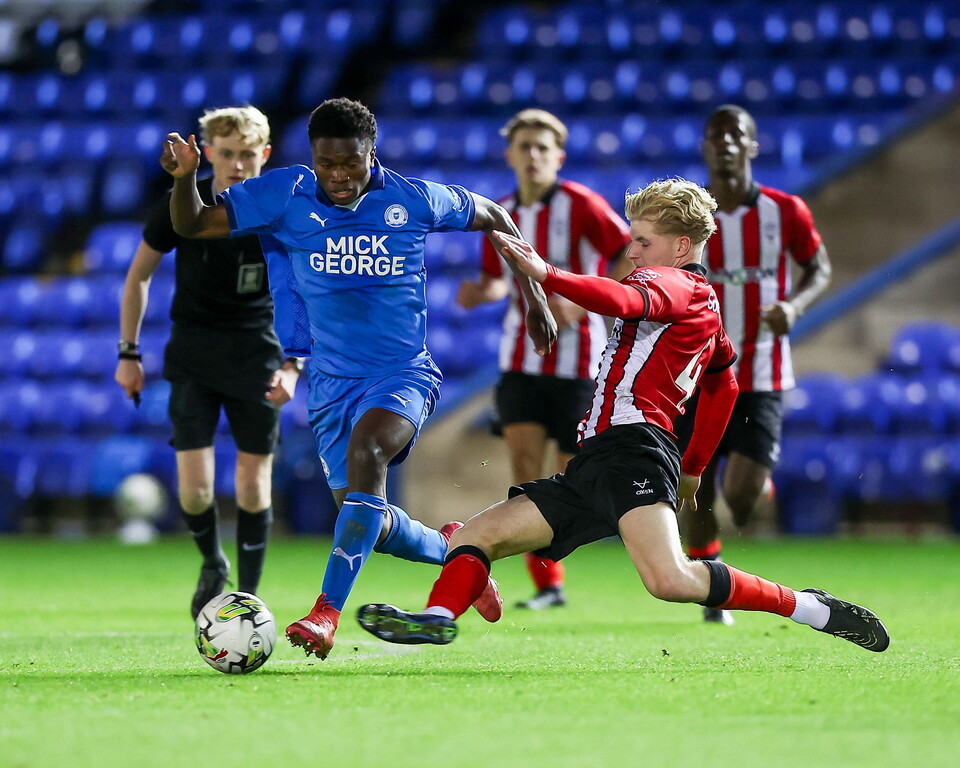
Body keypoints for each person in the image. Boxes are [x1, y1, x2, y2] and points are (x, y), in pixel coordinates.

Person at [355, 178, 889, 655]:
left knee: (671, 580)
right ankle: (437, 618)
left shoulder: (679, 284)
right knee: (476, 535)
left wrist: (547, 273)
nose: (631, 252)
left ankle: (806, 606)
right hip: (597, 460)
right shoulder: (704, 305)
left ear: (682, 247)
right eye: (633, 240)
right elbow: (725, 381)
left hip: (632, 450)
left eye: (642, 241)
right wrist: (696, 464)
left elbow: (625, 303)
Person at [160, 97, 558, 660]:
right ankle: (453, 547)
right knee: (367, 517)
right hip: (329, 384)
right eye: (328, 164)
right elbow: (193, 223)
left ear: (373, 154)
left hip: (402, 375)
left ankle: (326, 612)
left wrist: (535, 294)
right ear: (313, 159)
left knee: (369, 453)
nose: (340, 176)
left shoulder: (411, 198)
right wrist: (184, 179)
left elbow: (494, 213)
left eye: (353, 163)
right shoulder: (284, 195)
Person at [115, 106, 302, 620]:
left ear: (264, 156)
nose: (237, 164)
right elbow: (138, 277)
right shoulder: (182, 205)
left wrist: (293, 366)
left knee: (251, 482)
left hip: (258, 352)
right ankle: (212, 561)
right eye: (227, 154)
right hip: (193, 353)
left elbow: (305, 295)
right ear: (208, 153)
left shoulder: (283, 212)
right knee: (195, 489)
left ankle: (250, 597)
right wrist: (128, 353)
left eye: (247, 154)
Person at [457, 109, 632, 610]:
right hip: (520, 359)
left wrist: (579, 302)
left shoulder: (580, 204)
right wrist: (481, 292)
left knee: (570, 474)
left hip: (580, 362)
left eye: (542, 148)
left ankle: (570, 563)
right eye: (524, 147)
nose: (533, 156)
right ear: (510, 155)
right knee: (525, 470)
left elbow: (625, 254)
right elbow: (495, 277)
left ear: (559, 156)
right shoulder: (502, 211)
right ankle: (548, 586)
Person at [674, 104, 833, 625]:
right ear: (704, 148)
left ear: (752, 146)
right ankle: (710, 581)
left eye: (735, 135)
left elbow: (818, 267)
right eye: (714, 136)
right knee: (695, 480)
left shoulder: (785, 211)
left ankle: (754, 491)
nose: (724, 143)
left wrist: (793, 307)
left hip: (761, 370)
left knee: (741, 499)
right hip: (696, 372)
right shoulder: (689, 217)